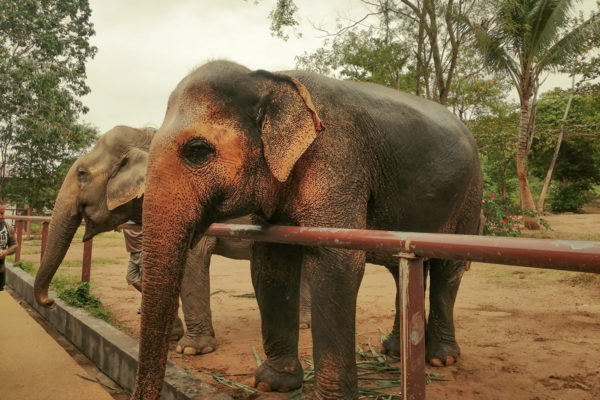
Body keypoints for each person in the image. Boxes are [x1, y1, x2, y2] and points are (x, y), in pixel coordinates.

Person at [0, 203, 18, 291]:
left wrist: (6, 252)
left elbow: (14, 246)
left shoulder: (8, 228)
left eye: (2, 213)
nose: (2, 217)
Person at [121, 223, 143, 293]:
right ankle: (150, 299)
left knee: (146, 281)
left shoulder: (142, 219)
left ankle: (150, 301)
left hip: (144, 253)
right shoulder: (124, 221)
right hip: (133, 254)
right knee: (131, 278)